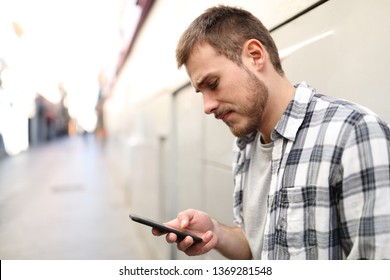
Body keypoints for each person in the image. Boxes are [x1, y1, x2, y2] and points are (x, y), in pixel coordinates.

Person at [152, 5, 390, 259]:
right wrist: (216, 232)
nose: (207, 106)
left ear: (255, 55)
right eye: (202, 92)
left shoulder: (354, 133)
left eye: (213, 84)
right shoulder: (245, 145)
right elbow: (257, 248)